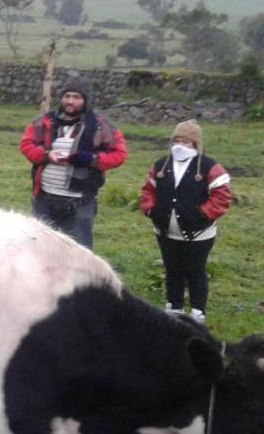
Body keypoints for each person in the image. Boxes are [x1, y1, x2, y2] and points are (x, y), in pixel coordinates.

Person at [139, 120, 232, 325]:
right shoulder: (161, 165)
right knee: (172, 270)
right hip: (165, 231)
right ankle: (174, 307)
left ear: (196, 144)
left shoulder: (210, 167)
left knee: (195, 272)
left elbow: (222, 197)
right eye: (176, 141)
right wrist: (151, 210)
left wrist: (202, 215)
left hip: (198, 234)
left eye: (186, 142)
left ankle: (198, 312)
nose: (180, 146)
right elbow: (148, 190)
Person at [19, 76, 127, 248]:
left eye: (76, 97)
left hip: (80, 201)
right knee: (40, 249)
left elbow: (119, 154)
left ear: (85, 101)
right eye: (67, 96)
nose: (70, 101)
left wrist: (91, 160)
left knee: (78, 252)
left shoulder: (101, 126)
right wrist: (47, 155)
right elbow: (27, 145)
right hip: (45, 198)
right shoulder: (45, 122)